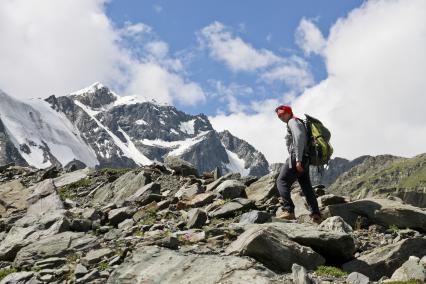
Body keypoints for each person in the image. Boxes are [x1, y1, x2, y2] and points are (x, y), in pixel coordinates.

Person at [275, 105, 322, 224]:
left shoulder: (292, 121)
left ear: (288, 112)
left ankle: (289, 210)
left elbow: (299, 138)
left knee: (281, 181)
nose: (280, 117)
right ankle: (316, 214)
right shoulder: (299, 122)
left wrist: (298, 160)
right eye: (278, 115)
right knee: (306, 186)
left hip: (297, 157)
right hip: (306, 159)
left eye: (282, 114)